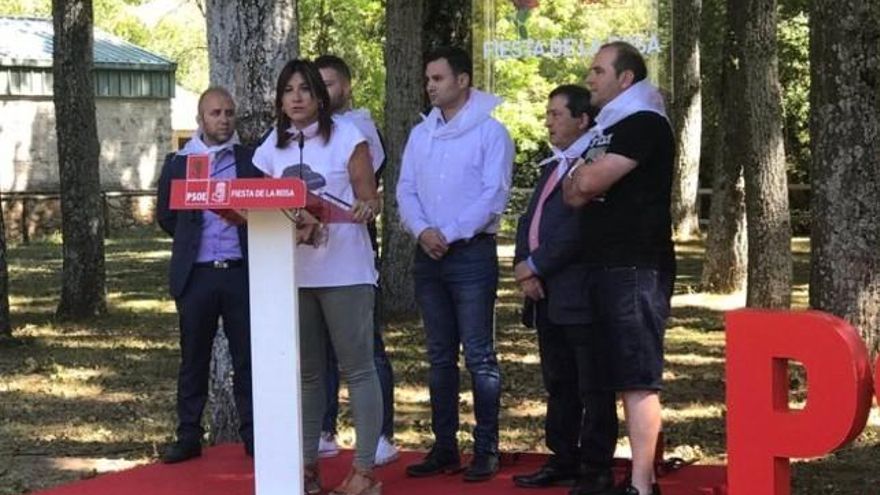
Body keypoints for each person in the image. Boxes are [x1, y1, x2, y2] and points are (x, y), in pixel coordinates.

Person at [252, 58, 383, 495]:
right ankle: (306, 467)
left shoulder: (349, 136)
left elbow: (371, 200)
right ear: (279, 100)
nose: (296, 98)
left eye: (305, 89)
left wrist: (366, 207)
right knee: (307, 374)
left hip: (345, 269)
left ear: (321, 97)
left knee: (358, 369)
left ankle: (364, 471)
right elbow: (259, 202)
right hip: (293, 272)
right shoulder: (271, 146)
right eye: (288, 90)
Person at [397, 46, 514, 482]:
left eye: (438, 78)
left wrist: (448, 232)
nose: (430, 86)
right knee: (439, 356)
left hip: (470, 254)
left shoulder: (491, 133)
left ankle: (486, 449)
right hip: (428, 254)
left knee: (479, 355)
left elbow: (492, 195)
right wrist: (422, 231)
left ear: (462, 81)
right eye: (428, 79)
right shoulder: (421, 134)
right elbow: (406, 189)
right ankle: (444, 446)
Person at [562, 41, 675, 495]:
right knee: (607, 375)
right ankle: (616, 474)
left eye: (598, 71)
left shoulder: (643, 122)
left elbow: (586, 180)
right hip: (602, 265)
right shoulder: (607, 127)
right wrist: (584, 181)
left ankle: (643, 485)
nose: (589, 79)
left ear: (625, 78)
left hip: (635, 266)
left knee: (636, 377)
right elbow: (571, 193)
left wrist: (586, 180)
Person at [510, 85, 618, 493]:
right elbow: (529, 220)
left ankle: (596, 468)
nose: (548, 122)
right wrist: (525, 268)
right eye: (548, 114)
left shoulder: (595, 162)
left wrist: (536, 264)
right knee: (558, 382)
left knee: (592, 384)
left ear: (582, 120)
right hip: (546, 294)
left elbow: (578, 229)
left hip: (581, 290)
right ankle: (563, 457)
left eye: (556, 114)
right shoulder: (553, 164)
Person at [156, 87, 260, 463]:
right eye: (216, 113)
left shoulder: (250, 161)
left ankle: (254, 435)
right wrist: (191, 241)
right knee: (193, 359)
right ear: (200, 119)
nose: (224, 119)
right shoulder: (179, 163)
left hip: (240, 273)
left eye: (229, 113)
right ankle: (188, 436)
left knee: (247, 358)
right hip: (196, 276)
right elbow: (167, 216)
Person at [314, 54, 399, 466]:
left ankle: (380, 434)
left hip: (352, 241)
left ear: (347, 86)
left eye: (328, 83)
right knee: (320, 345)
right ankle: (324, 428)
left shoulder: (360, 129)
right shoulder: (303, 134)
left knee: (366, 344)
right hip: (311, 248)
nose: (321, 92)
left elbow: (364, 184)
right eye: (316, 84)